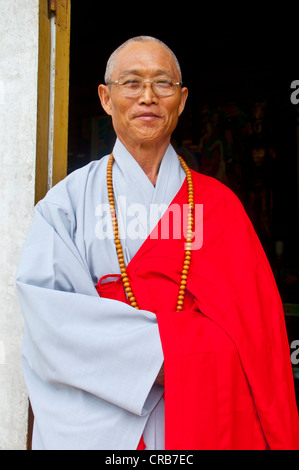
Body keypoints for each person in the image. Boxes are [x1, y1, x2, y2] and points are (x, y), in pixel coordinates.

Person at [16, 36, 299, 450]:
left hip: (203, 414)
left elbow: (259, 335)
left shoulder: (219, 207)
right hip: (102, 417)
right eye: (131, 82)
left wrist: (181, 359)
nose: (147, 97)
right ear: (106, 98)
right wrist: (171, 356)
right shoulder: (66, 204)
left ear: (181, 100)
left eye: (162, 84)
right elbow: (51, 322)